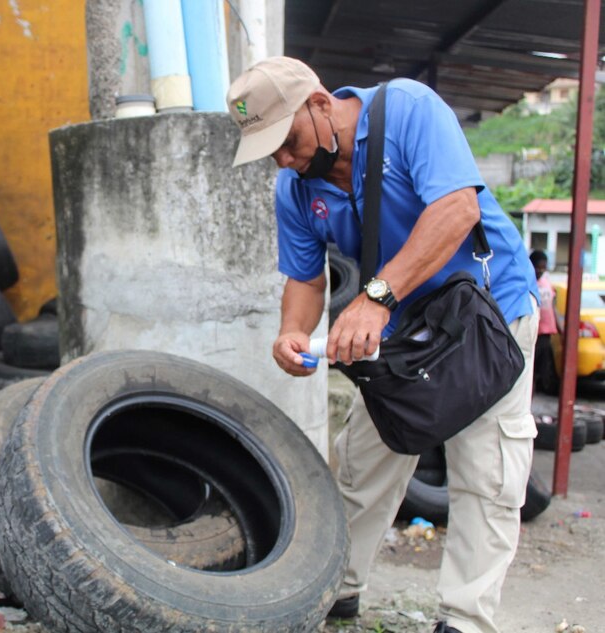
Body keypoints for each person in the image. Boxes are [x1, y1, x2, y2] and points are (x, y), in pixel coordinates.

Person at [226, 57, 539, 633]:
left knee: (487, 471)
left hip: (485, 316)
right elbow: (306, 278)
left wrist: (374, 297)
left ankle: (464, 620)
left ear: (320, 103)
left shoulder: (409, 112)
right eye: (270, 150)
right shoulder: (293, 188)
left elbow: (456, 209)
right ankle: (337, 590)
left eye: (288, 140)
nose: (284, 159)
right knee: (363, 462)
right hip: (400, 329)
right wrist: (290, 333)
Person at [530, 250, 560, 394]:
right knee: (531, 374)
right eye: (538, 267)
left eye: (544, 267)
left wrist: (561, 329)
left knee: (544, 374)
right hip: (533, 333)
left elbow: (553, 309)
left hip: (546, 334)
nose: (541, 271)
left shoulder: (546, 284)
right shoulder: (528, 283)